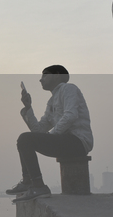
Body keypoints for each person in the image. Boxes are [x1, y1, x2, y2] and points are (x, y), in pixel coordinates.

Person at [7, 65, 93, 202]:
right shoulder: (51, 101)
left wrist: (52, 135)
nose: (41, 80)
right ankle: (29, 181)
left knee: (25, 139)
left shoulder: (69, 88)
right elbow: (38, 131)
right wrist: (28, 107)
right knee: (24, 140)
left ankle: (38, 185)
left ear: (57, 75)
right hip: (64, 140)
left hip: (78, 142)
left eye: (44, 75)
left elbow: (70, 115)